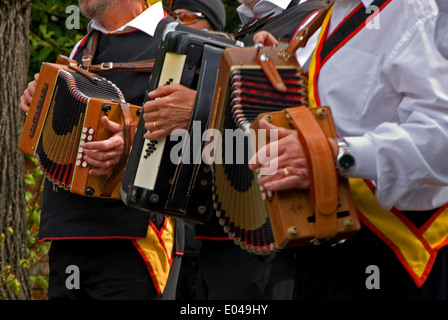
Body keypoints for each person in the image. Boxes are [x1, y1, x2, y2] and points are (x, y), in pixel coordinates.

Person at [250, 0, 448, 299]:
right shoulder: (317, 22)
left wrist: (334, 155)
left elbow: (441, 135)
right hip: (322, 240)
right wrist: (274, 62)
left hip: (398, 253)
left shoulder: (419, 8)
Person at [142, 0, 325, 300]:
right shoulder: (249, 28)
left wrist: (200, 109)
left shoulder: (315, 20)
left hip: (272, 236)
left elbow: (311, 119)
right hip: (221, 233)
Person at [19, 0, 184, 300]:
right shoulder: (82, 46)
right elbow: (65, 131)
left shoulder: (175, 41)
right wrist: (41, 101)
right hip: (67, 236)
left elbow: (199, 139)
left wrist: (130, 145)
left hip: (132, 242)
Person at [168, 0, 227, 301]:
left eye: (187, 17)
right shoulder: (168, 68)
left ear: (214, 27)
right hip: (173, 232)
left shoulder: (227, 71)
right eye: (173, 17)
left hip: (219, 230)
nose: (177, 24)